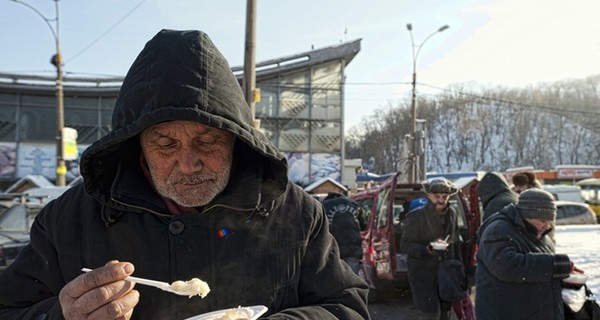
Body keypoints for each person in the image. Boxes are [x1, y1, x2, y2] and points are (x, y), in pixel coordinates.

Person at [0, 29, 370, 320]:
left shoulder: (296, 213)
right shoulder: (69, 220)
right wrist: (60, 315)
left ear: (235, 141)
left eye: (207, 142)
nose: (188, 163)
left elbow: (347, 307)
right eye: (166, 145)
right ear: (136, 146)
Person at [475, 189, 573, 319]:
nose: (547, 226)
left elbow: (538, 271)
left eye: (550, 221)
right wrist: (555, 265)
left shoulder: (542, 235)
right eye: (542, 220)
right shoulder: (498, 230)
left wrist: (563, 275)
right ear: (527, 215)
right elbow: (507, 266)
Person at [400, 178, 463, 320]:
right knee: (430, 313)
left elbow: (455, 241)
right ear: (428, 196)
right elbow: (405, 244)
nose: (441, 200)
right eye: (437, 196)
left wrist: (460, 269)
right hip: (423, 272)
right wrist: (426, 249)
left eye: (444, 197)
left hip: (446, 270)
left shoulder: (452, 214)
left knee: (446, 312)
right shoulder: (416, 216)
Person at [321, 192, 368, 274]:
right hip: (353, 248)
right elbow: (364, 225)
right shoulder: (354, 204)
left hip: (333, 249)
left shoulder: (323, 206)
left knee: (336, 276)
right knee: (353, 275)